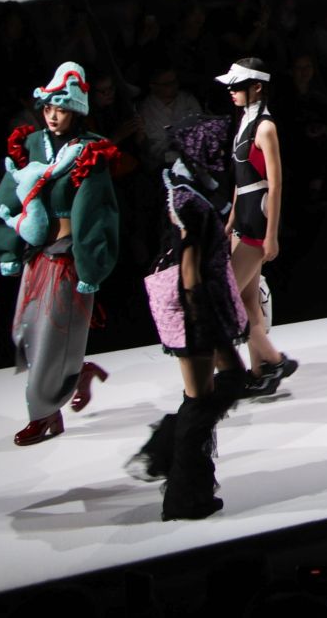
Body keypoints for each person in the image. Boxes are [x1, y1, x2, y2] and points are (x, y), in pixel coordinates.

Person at [0, 63, 121, 446]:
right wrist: (6, 247)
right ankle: (74, 378)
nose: (53, 115)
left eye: (61, 109)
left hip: (69, 256)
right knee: (28, 332)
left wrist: (91, 265)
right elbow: (10, 194)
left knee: (51, 336)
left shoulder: (89, 150)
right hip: (37, 254)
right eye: (48, 108)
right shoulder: (31, 145)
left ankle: (41, 414)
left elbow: (97, 211)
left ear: (76, 110)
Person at [125, 144, 247, 519]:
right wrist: (202, 323)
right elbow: (190, 271)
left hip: (194, 303)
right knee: (201, 400)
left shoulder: (189, 190)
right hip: (190, 308)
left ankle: (174, 464)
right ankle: (181, 492)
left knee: (215, 391)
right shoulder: (188, 199)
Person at [218, 58, 296, 393]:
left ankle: (274, 362)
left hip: (257, 218)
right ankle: (260, 370)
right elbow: (241, 178)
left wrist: (272, 235)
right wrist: (232, 216)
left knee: (228, 298)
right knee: (248, 301)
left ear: (257, 87)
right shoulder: (245, 121)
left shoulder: (265, 127)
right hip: (244, 215)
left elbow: (275, 184)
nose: (231, 91)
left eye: (237, 86)